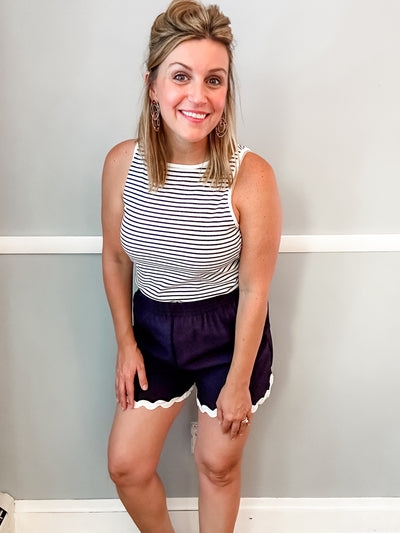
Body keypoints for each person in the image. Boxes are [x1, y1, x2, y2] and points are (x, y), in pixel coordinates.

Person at [101, 1, 281, 531]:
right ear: (153, 85)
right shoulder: (121, 164)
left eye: (215, 80)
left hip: (227, 332)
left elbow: (254, 289)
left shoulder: (251, 176)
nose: (199, 96)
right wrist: (126, 343)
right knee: (127, 466)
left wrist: (237, 380)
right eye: (181, 76)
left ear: (227, 90)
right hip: (152, 329)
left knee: (217, 465)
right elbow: (115, 258)